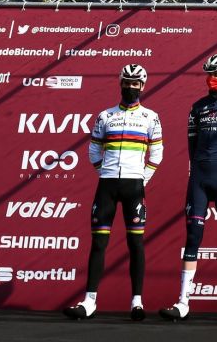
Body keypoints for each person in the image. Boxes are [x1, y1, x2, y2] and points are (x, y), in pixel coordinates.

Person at [64, 63, 163, 321]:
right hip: (107, 186)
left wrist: (142, 179)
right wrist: (105, 173)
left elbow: (157, 153)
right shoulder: (105, 116)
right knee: (99, 243)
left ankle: (137, 302)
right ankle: (89, 301)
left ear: (142, 86)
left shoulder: (150, 117)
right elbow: (93, 150)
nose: (130, 87)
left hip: (134, 186)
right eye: (126, 83)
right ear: (120, 84)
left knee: (136, 243)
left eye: (135, 84)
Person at [160, 53, 217, 323]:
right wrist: (200, 168)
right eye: (209, 74)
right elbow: (192, 147)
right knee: (193, 237)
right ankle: (183, 302)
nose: (211, 79)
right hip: (199, 177)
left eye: (216, 74)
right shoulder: (197, 107)